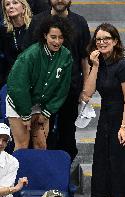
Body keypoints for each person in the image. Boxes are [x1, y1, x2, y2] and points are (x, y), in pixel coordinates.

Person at [82, 23, 125, 197]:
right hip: (106, 119)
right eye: (98, 39)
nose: (102, 42)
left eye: (106, 38)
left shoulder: (124, 65)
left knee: (121, 170)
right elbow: (87, 94)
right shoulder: (98, 63)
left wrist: (123, 128)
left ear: (115, 41)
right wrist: (94, 66)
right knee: (105, 170)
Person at [23, 0, 91, 161]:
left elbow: (85, 59)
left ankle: (63, 177)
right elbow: (29, 57)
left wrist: (86, 89)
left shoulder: (80, 22)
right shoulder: (37, 20)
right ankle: (43, 177)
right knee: (40, 136)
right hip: (42, 92)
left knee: (68, 135)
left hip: (71, 89)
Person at [6, 15, 73, 151]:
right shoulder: (30, 55)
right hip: (19, 102)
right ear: (45, 35)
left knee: (41, 145)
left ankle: (37, 173)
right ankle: (20, 173)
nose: (57, 41)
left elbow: (62, 88)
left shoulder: (66, 56)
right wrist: (25, 114)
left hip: (41, 103)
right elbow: (18, 87)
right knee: (22, 146)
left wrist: (48, 111)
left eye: (61, 37)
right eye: (53, 37)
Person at [0, 0, 32, 89]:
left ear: (24, 6)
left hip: (33, 79)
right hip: (11, 80)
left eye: (15, 3)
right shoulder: (4, 31)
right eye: (7, 4)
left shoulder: (34, 26)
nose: (10, 6)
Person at [0, 123, 28, 197]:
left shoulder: (12, 161)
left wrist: (8, 190)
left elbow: (2, 193)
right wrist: (15, 188)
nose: (1, 143)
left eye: (4, 140)